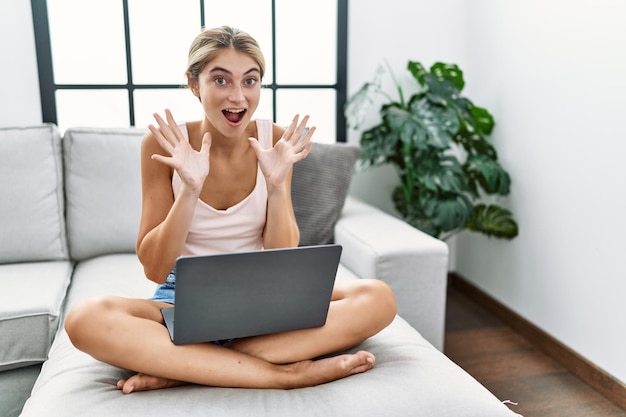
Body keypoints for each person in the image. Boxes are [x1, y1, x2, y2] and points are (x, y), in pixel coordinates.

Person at [64, 25, 397, 394]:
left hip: (264, 290)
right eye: (220, 80)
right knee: (84, 318)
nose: (238, 96)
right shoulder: (163, 146)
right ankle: (283, 374)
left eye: (250, 81)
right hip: (182, 296)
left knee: (378, 298)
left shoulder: (276, 141)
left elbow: (282, 255)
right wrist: (189, 190)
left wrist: (274, 187)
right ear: (194, 84)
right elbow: (155, 268)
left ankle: (191, 365)